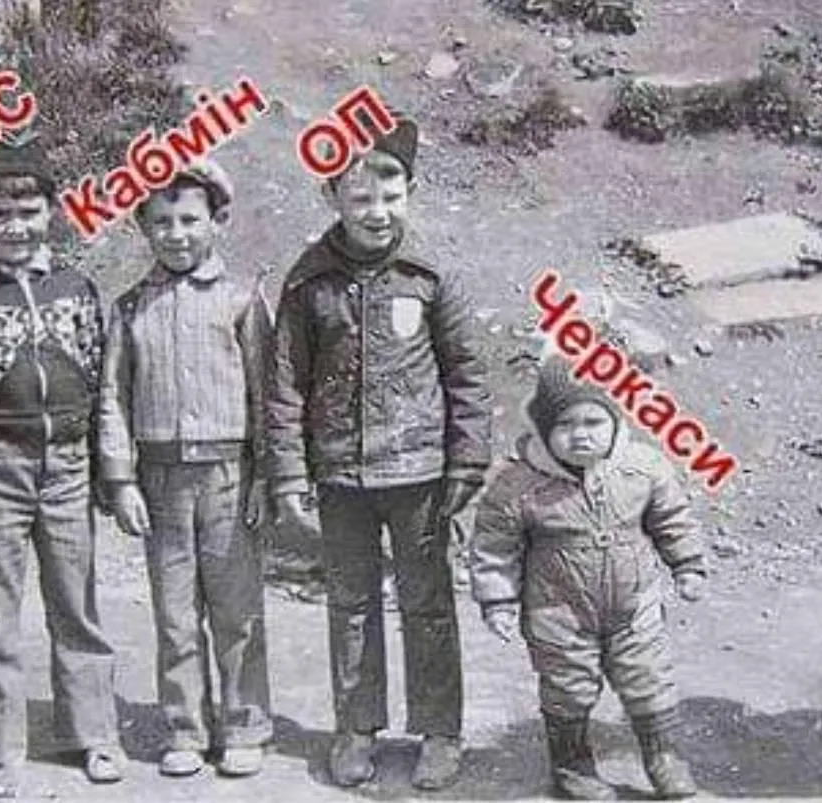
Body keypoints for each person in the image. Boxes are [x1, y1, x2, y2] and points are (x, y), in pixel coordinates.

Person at [266, 111, 493, 790]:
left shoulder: (431, 276)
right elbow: (285, 384)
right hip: (340, 476)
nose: (377, 210)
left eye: (391, 195)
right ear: (331, 197)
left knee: (428, 604)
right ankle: (357, 726)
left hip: (420, 474)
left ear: (410, 193)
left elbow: (467, 375)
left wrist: (467, 462)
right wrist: (290, 474)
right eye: (360, 196)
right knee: (351, 604)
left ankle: (440, 731)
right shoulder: (308, 283)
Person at [0, 136, 125, 798]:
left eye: (29, 212)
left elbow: (100, 384)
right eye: (1, 215)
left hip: (66, 467)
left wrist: (105, 470)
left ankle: (94, 733)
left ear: (52, 212)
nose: (17, 227)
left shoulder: (76, 289)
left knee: (76, 602)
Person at [97, 160, 275, 778]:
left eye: (190, 220)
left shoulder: (242, 299)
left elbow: (267, 394)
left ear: (216, 221)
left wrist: (265, 476)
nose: (176, 234)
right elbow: (113, 398)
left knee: (235, 610)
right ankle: (185, 729)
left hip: (229, 476)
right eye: (162, 222)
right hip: (160, 480)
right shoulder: (130, 308)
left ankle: (244, 726)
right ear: (143, 227)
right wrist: (120, 479)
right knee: (175, 614)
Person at [469, 356, 706, 800]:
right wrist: (497, 601)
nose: (581, 434)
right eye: (565, 424)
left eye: (594, 422)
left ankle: (664, 757)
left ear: (615, 422)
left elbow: (672, 519)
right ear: (544, 428)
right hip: (557, 612)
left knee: (648, 679)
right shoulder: (518, 483)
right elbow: (494, 546)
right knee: (568, 688)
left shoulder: (642, 468)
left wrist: (687, 564)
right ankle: (572, 765)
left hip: (634, 607)